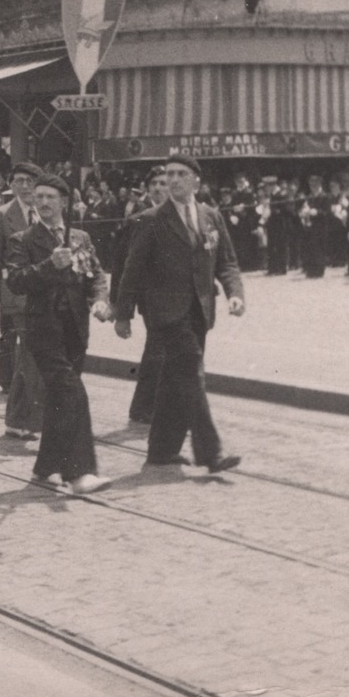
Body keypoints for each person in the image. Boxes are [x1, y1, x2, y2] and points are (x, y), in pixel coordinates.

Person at [113, 155, 246, 472]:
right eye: (170, 174)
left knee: (175, 381)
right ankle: (210, 453)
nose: (173, 180)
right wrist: (124, 313)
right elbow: (132, 269)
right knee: (191, 374)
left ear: (196, 181)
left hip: (200, 311)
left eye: (181, 174)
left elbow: (226, 261)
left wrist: (235, 294)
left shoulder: (211, 217)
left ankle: (160, 450)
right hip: (165, 314)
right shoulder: (151, 219)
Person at [5, 174, 114, 494]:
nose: (43, 203)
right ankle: (79, 472)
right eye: (38, 197)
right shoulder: (23, 240)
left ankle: (45, 466)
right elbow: (16, 280)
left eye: (50, 197)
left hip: (76, 330)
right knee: (72, 393)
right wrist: (50, 265)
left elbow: (94, 275)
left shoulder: (80, 237)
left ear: (64, 202)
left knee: (58, 400)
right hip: (44, 330)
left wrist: (100, 301)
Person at [0, 161, 47, 438]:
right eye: (19, 181)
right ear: (11, 185)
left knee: (30, 357)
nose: (24, 186)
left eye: (30, 181)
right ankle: (24, 419)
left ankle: (19, 418)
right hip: (17, 297)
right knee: (29, 355)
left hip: (45, 295)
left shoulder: (47, 212)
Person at [109, 168, 169, 427]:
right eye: (153, 183)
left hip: (175, 297)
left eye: (163, 183)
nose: (158, 188)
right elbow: (122, 263)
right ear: (147, 187)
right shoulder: (139, 218)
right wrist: (121, 308)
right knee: (157, 349)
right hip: (151, 298)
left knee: (161, 350)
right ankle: (142, 408)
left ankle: (149, 405)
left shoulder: (177, 213)